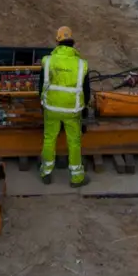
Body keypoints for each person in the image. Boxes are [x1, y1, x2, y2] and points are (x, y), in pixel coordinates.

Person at [40, 26, 88, 187]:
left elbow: (41, 86)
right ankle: (76, 178)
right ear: (72, 43)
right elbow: (86, 90)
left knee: (49, 139)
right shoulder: (81, 64)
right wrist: (85, 107)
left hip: (51, 109)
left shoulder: (48, 61)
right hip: (72, 111)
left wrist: (43, 105)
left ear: (57, 42)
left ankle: (46, 172)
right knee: (74, 142)